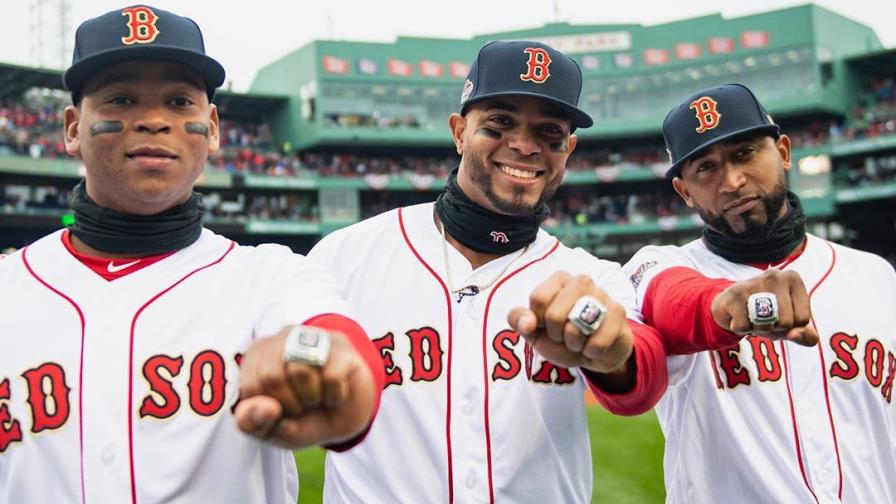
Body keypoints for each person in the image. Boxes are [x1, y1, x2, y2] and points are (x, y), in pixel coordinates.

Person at [0, 6, 384, 503]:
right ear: (73, 127)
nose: (155, 120)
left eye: (180, 101)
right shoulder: (9, 288)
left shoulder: (271, 277)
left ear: (214, 127)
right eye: (121, 98)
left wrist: (331, 377)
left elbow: (343, 351)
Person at [308, 40, 677, 503]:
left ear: (570, 149)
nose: (525, 146)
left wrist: (614, 353)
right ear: (459, 131)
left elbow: (642, 381)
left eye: (549, 133)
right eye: (500, 123)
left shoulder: (591, 279)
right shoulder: (346, 255)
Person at [621, 83, 896, 502]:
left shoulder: (876, 277)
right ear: (684, 191)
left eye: (744, 153)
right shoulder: (654, 267)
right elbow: (669, 297)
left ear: (783, 151)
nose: (731, 180)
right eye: (705, 169)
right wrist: (724, 306)